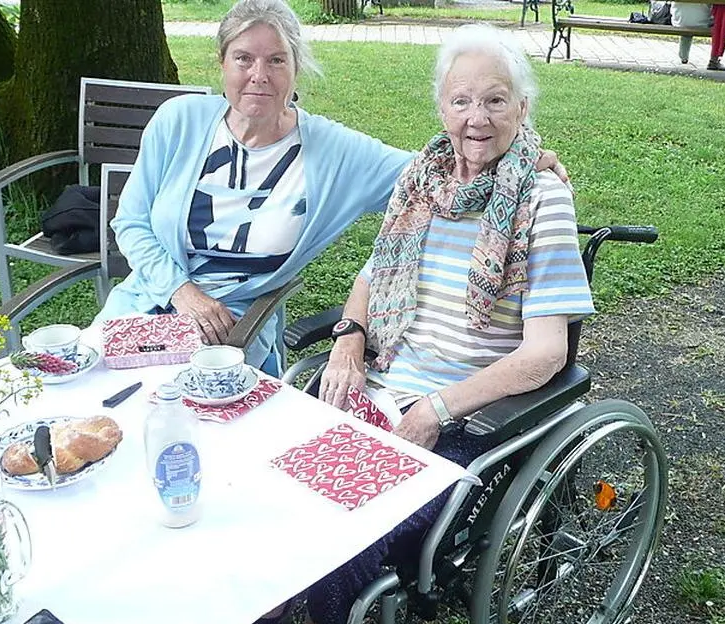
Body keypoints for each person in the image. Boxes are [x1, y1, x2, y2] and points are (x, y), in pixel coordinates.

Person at [181, 22, 595, 624]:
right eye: (461, 101)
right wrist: (348, 338)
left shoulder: (541, 199)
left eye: (494, 100)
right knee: (269, 486)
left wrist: (436, 406)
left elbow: (546, 354)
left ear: (523, 107)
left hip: (463, 414)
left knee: (343, 527)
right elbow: (370, 279)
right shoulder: (422, 186)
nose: (476, 118)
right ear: (441, 108)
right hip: (379, 383)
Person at [96, 0, 566, 376]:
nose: (259, 75)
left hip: (232, 331)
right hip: (143, 303)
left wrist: (516, 158)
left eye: (276, 60)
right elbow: (130, 222)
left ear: (296, 68)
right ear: (222, 63)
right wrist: (181, 291)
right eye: (244, 58)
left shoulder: (332, 151)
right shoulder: (178, 121)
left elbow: (434, 173)